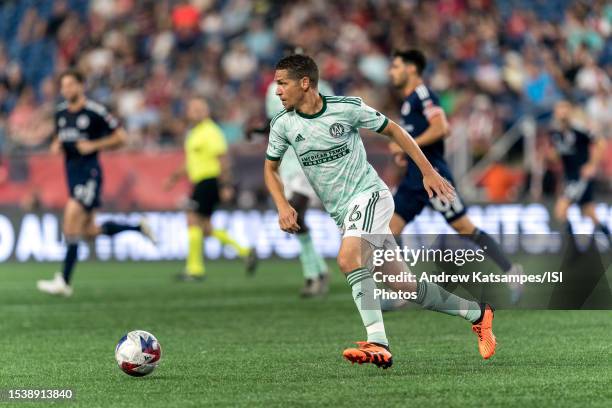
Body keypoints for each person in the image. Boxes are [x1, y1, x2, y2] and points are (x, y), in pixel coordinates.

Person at [264, 54, 496, 369]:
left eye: (282, 83)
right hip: (343, 213)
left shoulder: (346, 108)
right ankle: (478, 314)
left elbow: (397, 132)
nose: (276, 91)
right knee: (407, 287)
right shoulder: (284, 124)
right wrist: (282, 204)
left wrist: (427, 171)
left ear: (304, 83)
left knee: (347, 259)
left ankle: (378, 343)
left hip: (371, 196)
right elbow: (270, 169)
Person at [386, 49, 523, 306]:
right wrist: (406, 154)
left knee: (463, 227)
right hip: (414, 179)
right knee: (390, 229)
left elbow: (442, 128)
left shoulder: (423, 95)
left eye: (395, 67)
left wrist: (408, 144)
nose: (391, 72)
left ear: (411, 69)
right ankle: (403, 290)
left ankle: (512, 271)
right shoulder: (407, 103)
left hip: (434, 177)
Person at [37, 70, 155, 297]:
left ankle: (64, 281)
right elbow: (59, 137)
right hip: (71, 174)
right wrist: (56, 145)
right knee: (90, 231)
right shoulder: (60, 113)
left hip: (89, 173)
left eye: (71, 85)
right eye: (64, 86)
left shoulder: (95, 111)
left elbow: (121, 137)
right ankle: (137, 227)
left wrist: (94, 145)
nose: (67, 90)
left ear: (81, 86)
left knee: (71, 216)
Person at [164, 96, 257, 280]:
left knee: (192, 220)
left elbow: (222, 159)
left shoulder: (211, 132)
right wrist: (174, 178)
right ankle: (244, 252)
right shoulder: (194, 133)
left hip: (209, 181)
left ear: (206, 112)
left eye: (199, 109)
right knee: (205, 228)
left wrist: (225, 185)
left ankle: (194, 269)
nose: (196, 112)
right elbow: (191, 162)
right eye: (193, 109)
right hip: (200, 181)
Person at [265, 70, 332, 297]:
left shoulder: (322, 89)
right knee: (298, 218)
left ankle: (313, 275)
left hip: (312, 163)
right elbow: (274, 123)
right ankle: (319, 270)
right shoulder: (272, 92)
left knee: (296, 212)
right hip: (288, 166)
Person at [549, 99, 609, 241]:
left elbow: (600, 143)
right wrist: (552, 156)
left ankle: (573, 250)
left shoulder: (579, 129)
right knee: (590, 212)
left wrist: (591, 165)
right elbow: (559, 155)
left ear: (570, 111)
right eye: (559, 109)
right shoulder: (555, 133)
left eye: (565, 108)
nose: (562, 112)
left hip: (580, 176)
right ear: (555, 113)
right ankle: (609, 239)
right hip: (569, 176)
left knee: (560, 209)